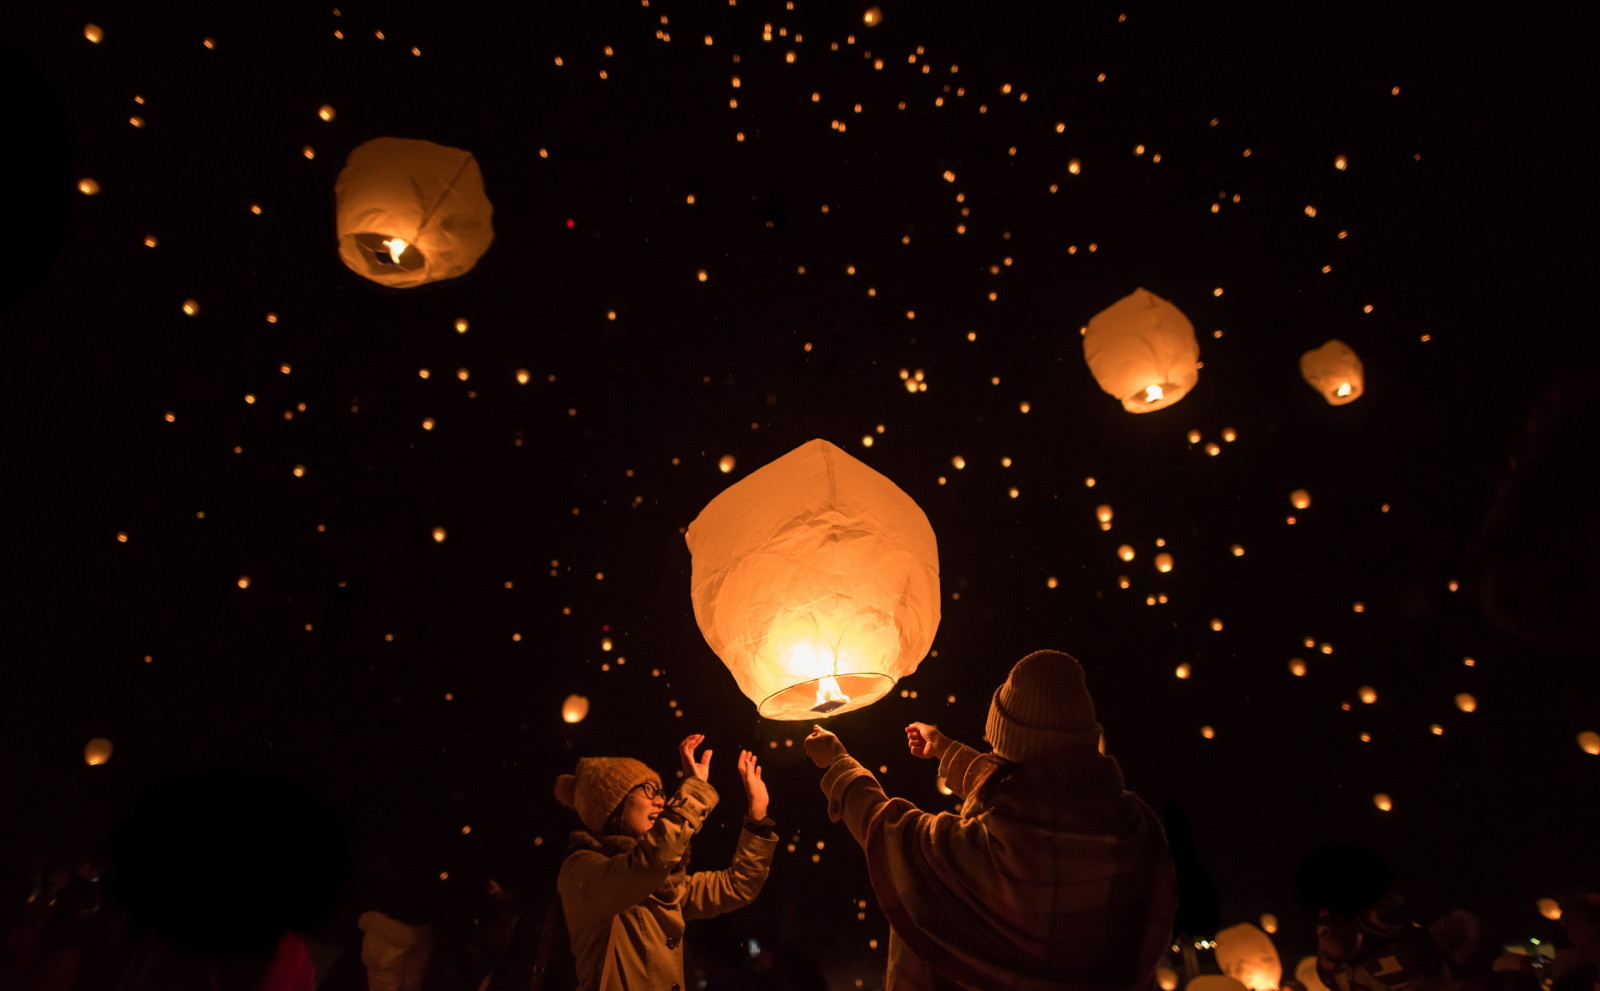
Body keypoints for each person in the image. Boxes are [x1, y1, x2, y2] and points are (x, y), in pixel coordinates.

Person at [802, 649, 1178, 991]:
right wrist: (946, 750)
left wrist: (839, 765)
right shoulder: (1136, 829)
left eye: (999, 748)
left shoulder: (998, 851)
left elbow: (896, 836)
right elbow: (1032, 788)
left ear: (1013, 749)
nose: (993, 757)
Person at [554, 733, 776, 990]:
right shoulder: (581, 868)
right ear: (612, 805)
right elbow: (647, 865)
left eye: (659, 791)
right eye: (646, 790)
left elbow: (738, 885)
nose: (660, 800)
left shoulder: (666, 884)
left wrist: (758, 815)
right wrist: (693, 791)